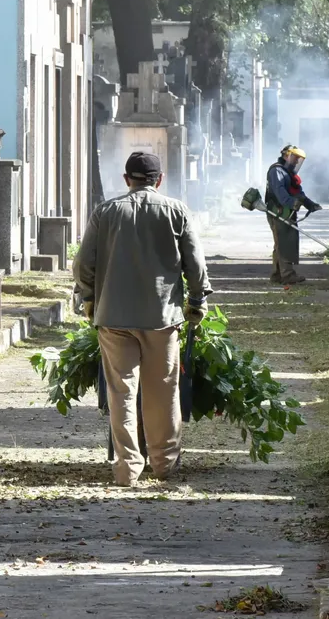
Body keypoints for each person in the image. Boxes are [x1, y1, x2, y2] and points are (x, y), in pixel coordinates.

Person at [73, 152, 213, 487]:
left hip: (114, 317)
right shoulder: (176, 211)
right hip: (161, 316)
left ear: (126, 180)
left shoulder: (105, 212)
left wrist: (89, 298)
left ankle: (127, 468)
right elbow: (194, 261)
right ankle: (163, 463)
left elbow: (82, 265)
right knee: (162, 389)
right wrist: (196, 299)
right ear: (159, 180)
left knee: (121, 391)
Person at [265, 145, 322, 285]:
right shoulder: (277, 171)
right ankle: (287, 275)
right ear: (286, 156)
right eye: (295, 158)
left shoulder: (288, 173)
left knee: (281, 243)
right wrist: (292, 203)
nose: (297, 162)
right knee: (284, 243)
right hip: (278, 211)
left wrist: (310, 204)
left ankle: (277, 275)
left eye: (299, 159)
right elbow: (280, 193)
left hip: (287, 211)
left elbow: (298, 192)